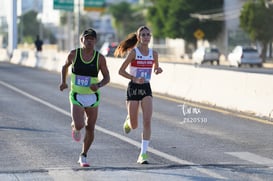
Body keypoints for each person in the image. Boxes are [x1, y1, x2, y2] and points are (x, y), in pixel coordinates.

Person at [59, 28, 110, 167]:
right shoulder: (74, 54)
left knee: (91, 127)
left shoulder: (100, 58)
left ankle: (83, 155)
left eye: (92, 39)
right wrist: (63, 82)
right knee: (80, 125)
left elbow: (107, 78)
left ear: (95, 41)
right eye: (86, 38)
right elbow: (65, 67)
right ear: (81, 40)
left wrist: (98, 85)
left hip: (93, 97)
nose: (89, 41)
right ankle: (75, 126)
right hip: (77, 95)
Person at [114, 26, 163, 164]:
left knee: (147, 121)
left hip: (146, 88)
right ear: (138, 37)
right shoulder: (133, 53)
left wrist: (158, 69)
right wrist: (134, 78)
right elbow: (120, 71)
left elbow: (155, 69)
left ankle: (143, 154)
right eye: (143, 35)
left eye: (148, 34)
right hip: (134, 88)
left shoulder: (154, 54)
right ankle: (129, 120)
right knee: (134, 125)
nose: (146, 37)